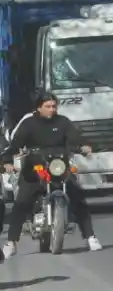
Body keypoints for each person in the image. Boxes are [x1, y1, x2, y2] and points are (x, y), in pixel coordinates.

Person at [1, 92, 102, 258]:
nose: (51, 109)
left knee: (77, 196)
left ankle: (90, 236)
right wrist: (7, 162)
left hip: (59, 167)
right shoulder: (29, 124)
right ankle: (11, 242)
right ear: (39, 107)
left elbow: (76, 138)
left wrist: (84, 146)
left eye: (54, 106)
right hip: (36, 168)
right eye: (47, 106)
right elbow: (14, 145)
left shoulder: (63, 122)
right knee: (21, 202)